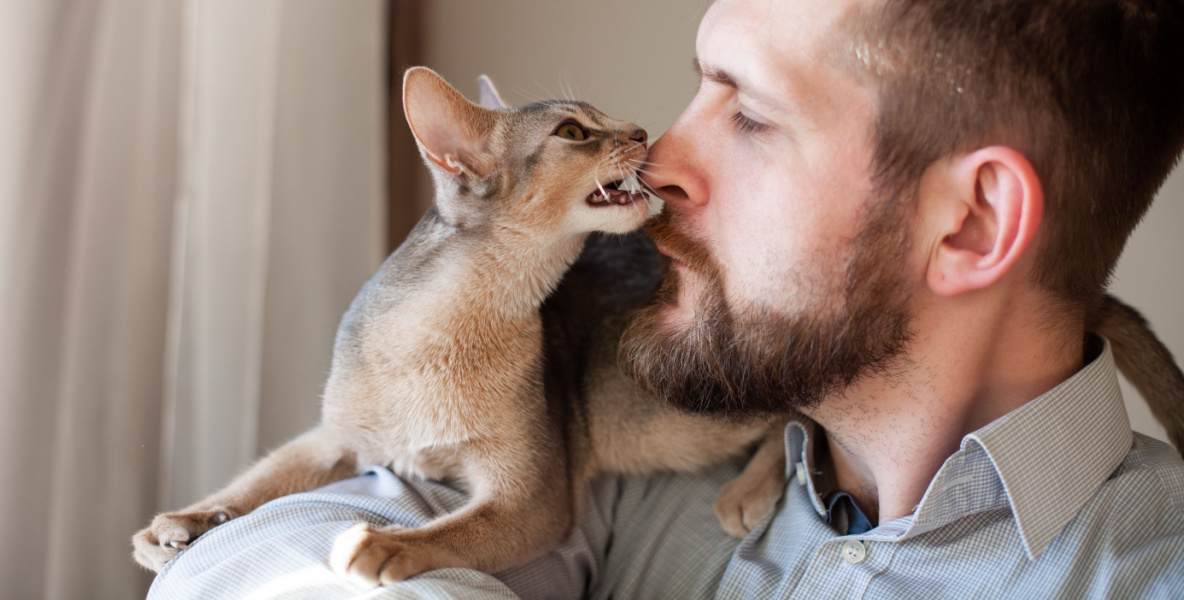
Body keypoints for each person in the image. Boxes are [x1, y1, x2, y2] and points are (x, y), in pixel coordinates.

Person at [148, 0, 1184, 598]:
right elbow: (272, 558)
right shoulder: (639, 468)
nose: (665, 155)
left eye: (754, 116)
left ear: (969, 223)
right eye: (699, 87)